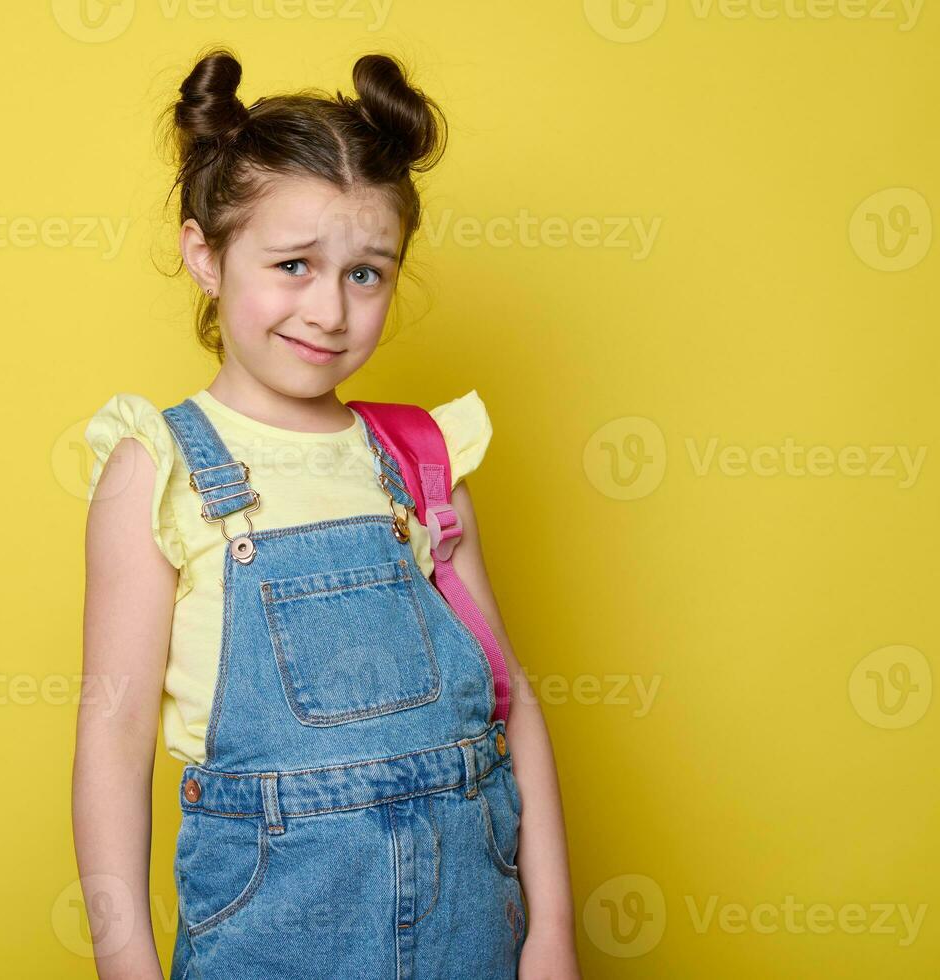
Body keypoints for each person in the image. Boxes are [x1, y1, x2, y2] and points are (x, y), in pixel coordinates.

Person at [73, 45, 580, 979]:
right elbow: (112, 740)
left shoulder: (421, 461)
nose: (330, 311)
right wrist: (125, 965)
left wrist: (550, 933)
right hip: (269, 941)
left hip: (473, 933)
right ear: (204, 254)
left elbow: (513, 709)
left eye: (365, 273)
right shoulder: (160, 468)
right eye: (294, 264)